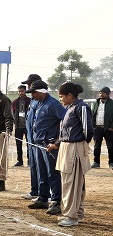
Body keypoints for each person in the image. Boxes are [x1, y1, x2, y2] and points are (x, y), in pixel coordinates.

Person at [47, 82, 93, 226]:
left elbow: (88, 131)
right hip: (67, 147)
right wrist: (57, 143)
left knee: (72, 183)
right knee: (71, 182)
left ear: (69, 95)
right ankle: (76, 213)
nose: (60, 99)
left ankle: (71, 216)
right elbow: (65, 132)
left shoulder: (81, 108)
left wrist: (79, 144)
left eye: (61, 96)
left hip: (75, 149)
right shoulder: (69, 108)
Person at [25, 80, 66, 215]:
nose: (32, 95)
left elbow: (66, 121)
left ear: (41, 92)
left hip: (49, 145)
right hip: (38, 143)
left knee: (52, 173)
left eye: (34, 93)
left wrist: (57, 141)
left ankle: (56, 201)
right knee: (41, 172)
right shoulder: (38, 103)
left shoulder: (53, 104)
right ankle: (43, 198)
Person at [20, 74, 42, 200]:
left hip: (38, 140)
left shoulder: (41, 100)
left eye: (30, 84)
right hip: (30, 140)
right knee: (33, 166)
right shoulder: (33, 100)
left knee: (41, 169)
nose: (28, 86)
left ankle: (43, 193)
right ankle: (34, 191)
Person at [91, 87, 113, 169]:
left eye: (103, 93)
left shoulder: (111, 103)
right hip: (97, 128)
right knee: (97, 146)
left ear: (108, 94)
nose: (101, 94)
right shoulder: (96, 103)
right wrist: (93, 127)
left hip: (108, 129)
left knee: (110, 146)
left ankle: (111, 163)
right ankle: (96, 162)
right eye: (100, 93)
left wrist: (111, 127)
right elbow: (93, 115)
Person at [11, 85, 32, 166]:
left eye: (22, 91)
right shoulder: (15, 102)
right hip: (18, 127)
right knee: (18, 144)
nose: (21, 93)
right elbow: (13, 113)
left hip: (27, 127)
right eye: (19, 91)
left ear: (25, 91)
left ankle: (30, 160)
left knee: (29, 144)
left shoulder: (29, 101)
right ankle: (20, 161)